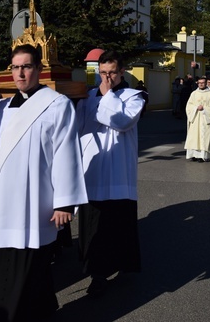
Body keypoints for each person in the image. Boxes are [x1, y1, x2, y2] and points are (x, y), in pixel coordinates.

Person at [0, 44, 88, 322]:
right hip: (7, 198)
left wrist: (65, 203)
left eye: (26, 66)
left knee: (28, 264)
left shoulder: (56, 104)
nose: (20, 73)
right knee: (16, 264)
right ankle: (41, 308)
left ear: (38, 69)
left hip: (38, 198)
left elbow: (67, 153)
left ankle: (11, 316)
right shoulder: (2, 106)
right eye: (15, 67)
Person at [76, 50, 144, 297]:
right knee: (94, 226)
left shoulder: (134, 95)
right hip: (93, 170)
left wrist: (106, 97)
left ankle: (123, 265)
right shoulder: (88, 96)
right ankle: (97, 273)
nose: (106, 78)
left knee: (118, 224)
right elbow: (78, 126)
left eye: (111, 73)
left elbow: (122, 121)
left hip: (118, 173)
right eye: (102, 73)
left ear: (122, 72)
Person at [184, 77, 210, 162]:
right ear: (197, 83)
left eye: (202, 83)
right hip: (195, 118)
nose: (201, 84)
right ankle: (194, 155)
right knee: (194, 137)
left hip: (205, 118)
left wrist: (204, 109)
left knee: (205, 137)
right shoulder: (194, 93)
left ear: (206, 83)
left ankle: (203, 156)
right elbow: (189, 105)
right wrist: (196, 107)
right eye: (199, 83)